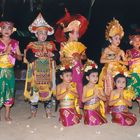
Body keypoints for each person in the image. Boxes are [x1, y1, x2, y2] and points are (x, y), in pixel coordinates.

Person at [24, 13, 58, 119]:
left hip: (48, 74)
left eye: (45, 33)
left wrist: (53, 54)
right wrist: (34, 55)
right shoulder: (31, 45)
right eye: (40, 33)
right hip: (35, 74)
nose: (43, 35)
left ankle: (48, 113)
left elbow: (57, 55)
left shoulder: (51, 44)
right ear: (36, 34)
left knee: (47, 93)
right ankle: (33, 113)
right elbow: (28, 56)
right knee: (34, 93)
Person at [55, 8, 89, 108]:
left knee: (79, 85)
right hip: (68, 68)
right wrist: (71, 59)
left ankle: (79, 105)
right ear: (70, 33)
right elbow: (60, 59)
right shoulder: (63, 44)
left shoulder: (79, 45)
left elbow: (85, 56)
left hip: (78, 67)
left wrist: (80, 56)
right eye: (76, 33)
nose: (78, 35)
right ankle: (69, 104)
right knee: (69, 85)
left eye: (78, 33)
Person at [99, 18, 128, 113]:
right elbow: (101, 60)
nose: (118, 40)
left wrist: (119, 61)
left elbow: (127, 63)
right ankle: (108, 108)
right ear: (110, 39)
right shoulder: (107, 49)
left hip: (119, 72)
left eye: (119, 38)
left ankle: (118, 106)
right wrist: (111, 59)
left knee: (119, 88)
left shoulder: (121, 51)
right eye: (116, 38)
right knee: (109, 89)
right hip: (109, 71)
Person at [0, 21, 22, 121]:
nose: (7, 30)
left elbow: (20, 58)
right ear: (0, 30)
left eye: (9, 28)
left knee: (9, 91)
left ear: (12, 31)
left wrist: (12, 54)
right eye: (4, 28)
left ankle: (7, 115)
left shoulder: (15, 42)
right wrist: (4, 52)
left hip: (9, 71)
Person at [82, 61, 107, 125]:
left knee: (99, 121)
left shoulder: (99, 87)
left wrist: (99, 95)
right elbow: (83, 100)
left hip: (97, 107)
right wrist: (93, 96)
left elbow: (105, 99)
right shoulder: (85, 87)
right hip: (88, 108)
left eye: (97, 76)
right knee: (92, 121)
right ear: (87, 78)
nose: (96, 78)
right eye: (93, 76)